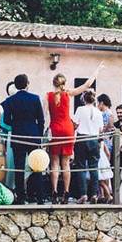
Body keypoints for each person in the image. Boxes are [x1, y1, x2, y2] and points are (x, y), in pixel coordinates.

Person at [46, 65, 102, 204]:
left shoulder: (48, 96)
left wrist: (47, 130)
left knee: (54, 163)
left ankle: (54, 192)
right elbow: (86, 85)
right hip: (67, 129)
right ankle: (66, 192)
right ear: (64, 83)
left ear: (54, 83)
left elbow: (45, 115)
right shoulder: (68, 94)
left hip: (55, 129)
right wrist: (97, 70)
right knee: (66, 164)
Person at [1, 74, 45, 204]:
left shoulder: (10, 101)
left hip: (18, 136)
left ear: (15, 85)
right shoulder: (35, 98)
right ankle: (39, 197)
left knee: (19, 168)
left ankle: (21, 197)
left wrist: (16, 125)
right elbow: (41, 119)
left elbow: (6, 120)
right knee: (37, 167)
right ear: (27, 84)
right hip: (33, 136)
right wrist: (39, 136)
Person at [73, 90, 103, 204]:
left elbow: (75, 124)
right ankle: (94, 194)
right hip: (94, 139)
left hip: (82, 138)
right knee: (93, 167)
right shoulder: (98, 112)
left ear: (84, 99)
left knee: (81, 167)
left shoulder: (80, 110)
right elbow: (100, 129)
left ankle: (83, 194)